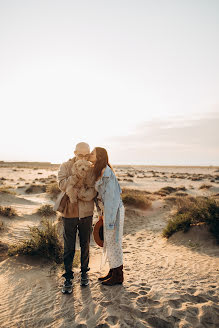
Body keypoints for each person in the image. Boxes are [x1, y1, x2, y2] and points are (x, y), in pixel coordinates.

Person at [54, 142, 97, 293]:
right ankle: (68, 278)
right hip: (69, 211)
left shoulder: (92, 169)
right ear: (74, 152)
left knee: (85, 244)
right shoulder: (65, 166)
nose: (84, 158)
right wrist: (75, 177)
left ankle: (84, 273)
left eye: (87, 155)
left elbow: (93, 190)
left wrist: (80, 194)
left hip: (87, 212)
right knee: (69, 246)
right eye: (81, 155)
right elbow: (62, 185)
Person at [89, 147, 124, 286]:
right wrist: (101, 215)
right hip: (107, 212)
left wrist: (108, 219)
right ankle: (113, 271)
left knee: (114, 242)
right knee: (108, 243)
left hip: (114, 211)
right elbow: (99, 198)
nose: (90, 155)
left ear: (99, 156)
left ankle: (118, 276)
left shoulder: (106, 172)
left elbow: (111, 198)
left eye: (93, 153)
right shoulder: (99, 171)